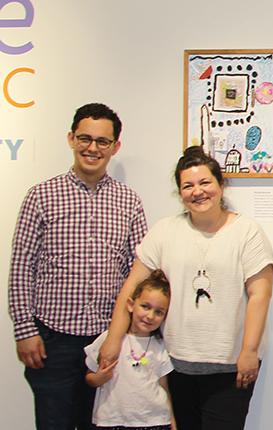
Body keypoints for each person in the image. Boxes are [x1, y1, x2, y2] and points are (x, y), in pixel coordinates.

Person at [99, 145, 273, 430]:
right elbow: (131, 286)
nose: (198, 191)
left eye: (205, 182)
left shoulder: (247, 231)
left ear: (221, 184)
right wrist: (113, 340)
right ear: (180, 193)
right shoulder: (164, 231)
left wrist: (249, 351)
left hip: (230, 368)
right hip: (175, 364)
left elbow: (260, 294)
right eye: (188, 186)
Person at [8, 103, 148, 429]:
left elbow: (138, 270)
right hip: (51, 341)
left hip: (106, 340)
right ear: (71, 139)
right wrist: (25, 331)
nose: (92, 148)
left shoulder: (129, 201)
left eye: (102, 141)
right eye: (85, 138)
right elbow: (21, 267)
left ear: (115, 147)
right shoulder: (41, 196)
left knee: (101, 424)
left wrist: (127, 334)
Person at [84, 270, 174, 430]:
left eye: (159, 312)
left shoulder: (161, 345)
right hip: (112, 421)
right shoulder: (109, 339)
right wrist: (99, 378)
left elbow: (164, 386)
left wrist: (173, 424)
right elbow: (89, 378)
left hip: (155, 421)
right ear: (131, 305)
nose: (150, 316)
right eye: (145, 307)